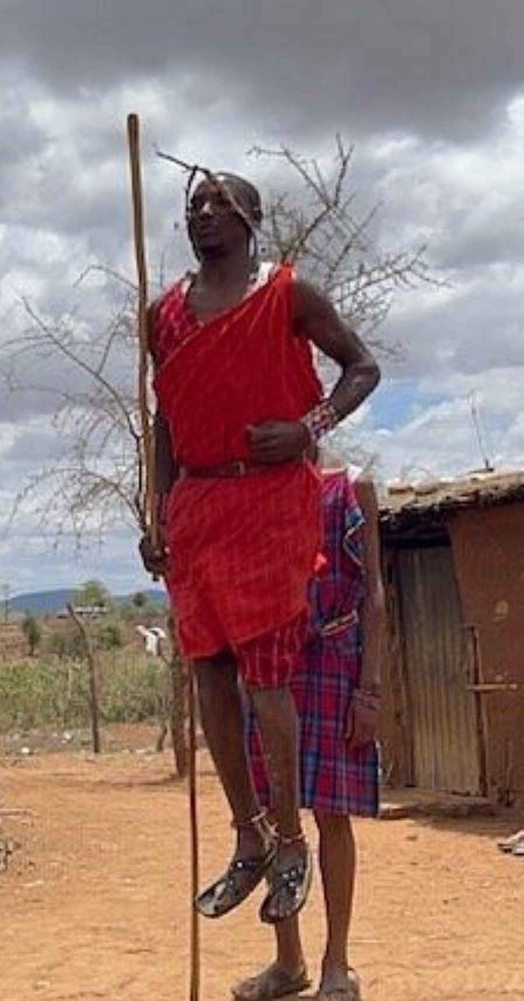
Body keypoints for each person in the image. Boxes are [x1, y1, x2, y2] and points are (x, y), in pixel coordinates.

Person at [141, 171, 380, 927]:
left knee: (265, 674)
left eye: (219, 204)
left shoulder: (288, 295)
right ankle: (246, 835)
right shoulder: (164, 315)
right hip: (199, 504)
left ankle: (288, 840)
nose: (203, 214)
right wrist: (159, 508)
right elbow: (167, 422)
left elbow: (363, 367)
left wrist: (308, 428)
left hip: (272, 497)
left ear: (250, 219)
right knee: (208, 668)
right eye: (193, 206)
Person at [234, 452, 385, 1001]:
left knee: (333, 817)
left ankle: (336, 964)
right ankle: (288, 961)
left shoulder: (353, 485)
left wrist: (369, 691)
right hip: (272, 664)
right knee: (277, 816)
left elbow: (373, 597)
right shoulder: (253, 486)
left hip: (336, 664)